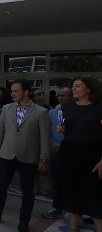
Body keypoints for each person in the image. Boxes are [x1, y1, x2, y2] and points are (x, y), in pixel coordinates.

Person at [0, 80, 51, 232]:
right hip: (7, 153)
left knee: (27, 190)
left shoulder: (41, 112)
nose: (12, 94)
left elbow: (45, 138)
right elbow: (0, 130)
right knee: (1, 187)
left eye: (15, 91)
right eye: (12, 91)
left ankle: (24, 221)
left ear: (26, 92)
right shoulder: (7, 108)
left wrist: (44, 158)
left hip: (28, 156)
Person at [56, 77, 102, 232]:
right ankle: (74, 231)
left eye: (77, 86)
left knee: (94, 197)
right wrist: (63, 130)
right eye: (72, 86)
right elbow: (70, 129)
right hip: (69, 155)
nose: (73, 89)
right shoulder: (67, 107)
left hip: (92, 158)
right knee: (72, 195)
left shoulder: (98, 109)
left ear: (88, 89)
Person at [43, 86, 72, 220]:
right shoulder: (53, 112)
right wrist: (52, 144)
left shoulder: (76, 111)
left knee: (71, 181)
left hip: (71, 151)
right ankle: (57, 207)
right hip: (56, 151)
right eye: (59, 95)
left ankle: (73, 210)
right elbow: (46, 131)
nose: (60, 98)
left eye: (63, 95)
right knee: (56, 180)